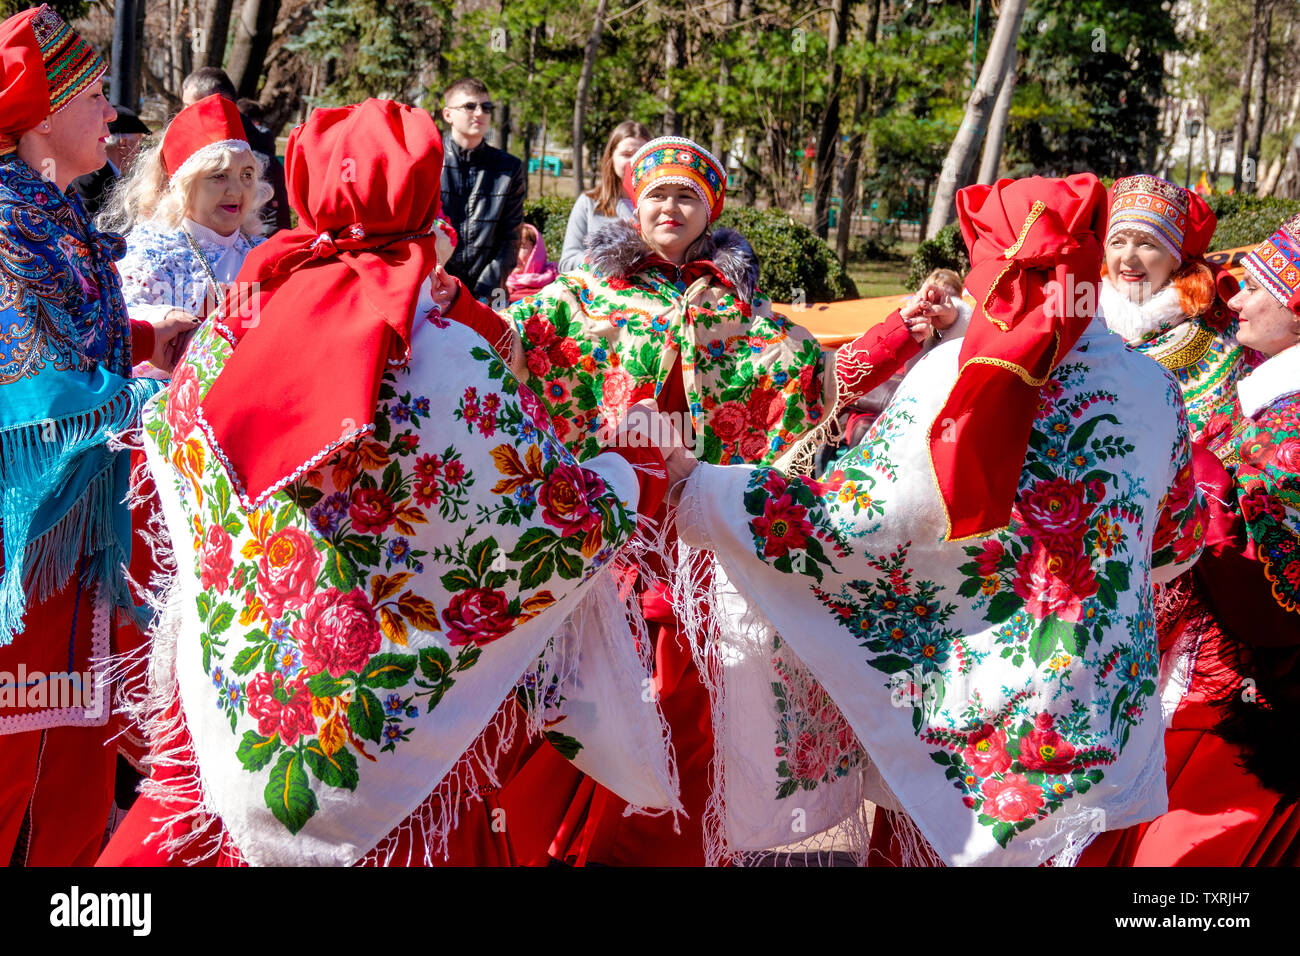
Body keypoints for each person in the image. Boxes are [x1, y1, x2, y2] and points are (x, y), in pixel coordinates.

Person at [97, 98, 678, 867]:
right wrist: (632, 466)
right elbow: (557, 521)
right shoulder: (449, 358)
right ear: (425, 202)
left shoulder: (236, 330)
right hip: (399, 747)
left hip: (253, 704)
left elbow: (174, 441)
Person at [662, 173, 1208, 866]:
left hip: (968, 710)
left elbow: (851, 525)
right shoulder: (1154, 383)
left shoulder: (954, 373)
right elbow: (1175, 540)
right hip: (1098, 707)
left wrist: (708, 493)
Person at [444, 135, 934, 865]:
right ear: (632, 205)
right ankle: (559, 843)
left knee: (688, 708)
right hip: (607, 539)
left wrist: (902, 331)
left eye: (687, 196)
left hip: (699, 549)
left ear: (710, 211)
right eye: (657, 194)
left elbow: (819, 381)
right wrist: (446, 301)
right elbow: (509, 349)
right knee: (585, 702)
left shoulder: (740, 310)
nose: (670, 207)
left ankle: (662, 849)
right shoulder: (580, 297)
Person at [0, 4, 189, 866]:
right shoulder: (6, 227)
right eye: (96, 94)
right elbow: (34, 388)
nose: (112, 113)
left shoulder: (57, 216)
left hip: (75, 546)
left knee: (70, 764)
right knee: (13, 766)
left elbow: (82, 338)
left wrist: (156, 342)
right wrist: (154, 402)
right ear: (43, 110)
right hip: (25, 545)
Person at [1081, 213, 1300, 866]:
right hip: (1179, 687)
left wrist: (1176, 455)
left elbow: (1269, 575)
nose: (1237, 298)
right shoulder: (1257, 401)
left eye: (1262, 287)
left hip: (1244, 703)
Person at [107, 93, 271, 344]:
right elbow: (120, 320)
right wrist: (164, 319)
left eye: (246, 175)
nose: (236, 190)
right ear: (183, 186)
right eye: (219, 176)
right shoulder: (152, 252)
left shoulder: (265, 254)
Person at [1100, 174, 1249, 439]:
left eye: (1147, 243)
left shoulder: (1221, 331)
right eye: (1118, 242)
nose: (1128, 257)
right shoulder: (1081, 321)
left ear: (1175, 259)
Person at [439, 77, 526, 305]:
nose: (480, 113)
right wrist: (440, 284)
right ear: (448, 114)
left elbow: (511, 238)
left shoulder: (509, 168)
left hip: (488, 295)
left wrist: (483, 293)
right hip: (434, 289)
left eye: (486, 107)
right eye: (470, 106)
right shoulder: (428, 161)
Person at [181, 66, 290, 233]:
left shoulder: (257, 157)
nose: (184, 114)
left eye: (190, 107)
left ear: (220, 102)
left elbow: (274, 226)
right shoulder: (193, 148)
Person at [558, 119, 650, 272]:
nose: (633, 161)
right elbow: (567, 262)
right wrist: (607, 259)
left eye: (641, 155)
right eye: (626, 154)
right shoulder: (589, 203)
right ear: (611, 158)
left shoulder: (659, 206)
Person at [68, 104, 149, 220]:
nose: (139, 151)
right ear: (123, 143)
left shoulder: (98, 173)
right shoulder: (91, 180)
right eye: (139, 143)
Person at [506, 222, 556, 302]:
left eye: (521, 247)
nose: (514, 253)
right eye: (511, 247)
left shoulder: (557, 285)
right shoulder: (498, 286)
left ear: (536, 251)